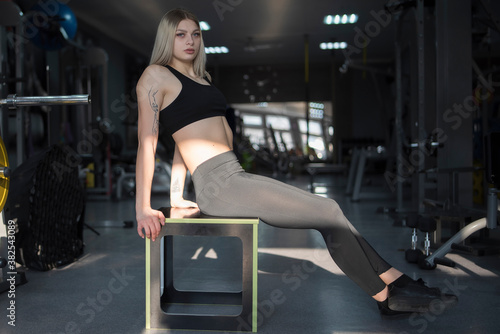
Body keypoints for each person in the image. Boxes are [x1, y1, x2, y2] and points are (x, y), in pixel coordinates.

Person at [135, 8, 457, 316]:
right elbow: (146, 145)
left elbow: (182, 141)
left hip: (236, 175)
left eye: (195, 34)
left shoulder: (202, 78)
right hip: (219, 186)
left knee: (330, 208)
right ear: (167, 38)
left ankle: (395, 280)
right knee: (327, 212)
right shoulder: (156, 76)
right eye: (180, 34)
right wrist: (144, 208)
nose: (190, 41)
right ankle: (386, 297)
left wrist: (178, 194)